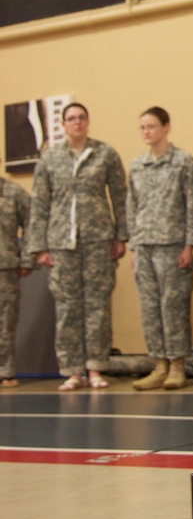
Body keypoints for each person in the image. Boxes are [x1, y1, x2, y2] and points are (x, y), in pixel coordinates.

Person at [27, 102, 127, 390]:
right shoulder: (49, 159)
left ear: (88, 121)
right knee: (68, 307)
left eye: (82, 117)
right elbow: (40, 204)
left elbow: (120, 197)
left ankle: (96, 367)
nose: (77, 122)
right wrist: (40, 247)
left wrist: (121, 236)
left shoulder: (104, 154)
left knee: (97, 306)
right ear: (63, 125)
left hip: (98, 240)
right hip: (61, 243)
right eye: (71, 118)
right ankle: (72, 370)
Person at [127, 108, 193, 392]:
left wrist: (190, 244)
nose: (146, 131)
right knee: (150, 309)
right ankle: (158, 364)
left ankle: (177, 365)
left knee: (173, 308)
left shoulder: (183, 162)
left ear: (166, 127)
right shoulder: (137, 165)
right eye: (142, 127)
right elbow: (131, 207)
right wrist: (134, 246)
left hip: (173, 246)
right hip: (145, 245)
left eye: (151, 126)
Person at [0, 174, 32, 386]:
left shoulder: (14, 192)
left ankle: (4, 371)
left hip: (5, 265)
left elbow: (33, 221)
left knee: (5, 321)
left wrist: (27, 257)